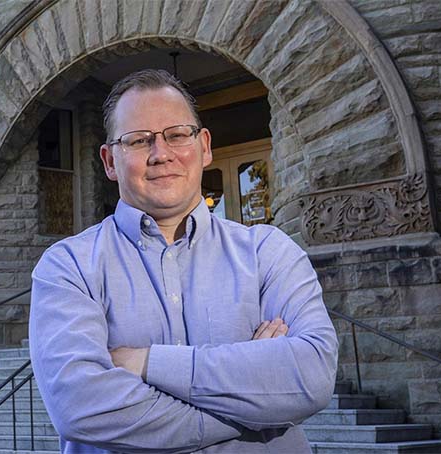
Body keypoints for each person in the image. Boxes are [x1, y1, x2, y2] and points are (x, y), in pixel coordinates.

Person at [28, 69, 338, 453]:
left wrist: (146, 364)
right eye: (139, 140)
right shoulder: (68, 267)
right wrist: (257, 405)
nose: (161, 154)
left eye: (176, 135)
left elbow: (312, 376)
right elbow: (80, 407)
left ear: (204, 146)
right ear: (109, 161)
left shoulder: (269, 253)